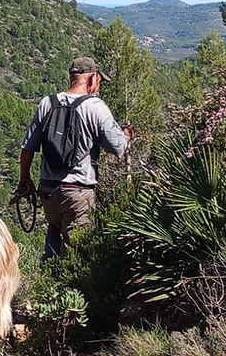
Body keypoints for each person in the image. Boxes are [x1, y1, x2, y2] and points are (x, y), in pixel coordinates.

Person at [15, 57, 136, 261]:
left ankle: (48, 284)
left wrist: (24, 179)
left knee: (53, 238)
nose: (99, 86)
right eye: (99, 80)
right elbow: (118, 147)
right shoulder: (95, 106)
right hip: (78, 193)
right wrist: (126, 134)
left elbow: (27, 148)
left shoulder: (48, 103)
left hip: (48, 192)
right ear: (91, 78)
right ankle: (69, 290)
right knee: (76, 254)